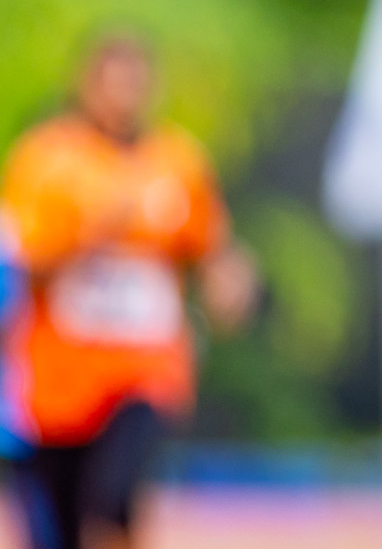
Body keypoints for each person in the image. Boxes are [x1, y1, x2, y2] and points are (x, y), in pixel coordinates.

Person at [0, 34, 256, 549]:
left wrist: (229, 280)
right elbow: (20, 263)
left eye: (134, 84)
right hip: (60, 382)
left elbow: (212, 246)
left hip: (146, 369)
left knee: (113, 497)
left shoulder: (177, 161)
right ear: (85, 85)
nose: (123, 98)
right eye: (111, 83)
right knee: (60, 524)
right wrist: (90, 235)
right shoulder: (45, 161)